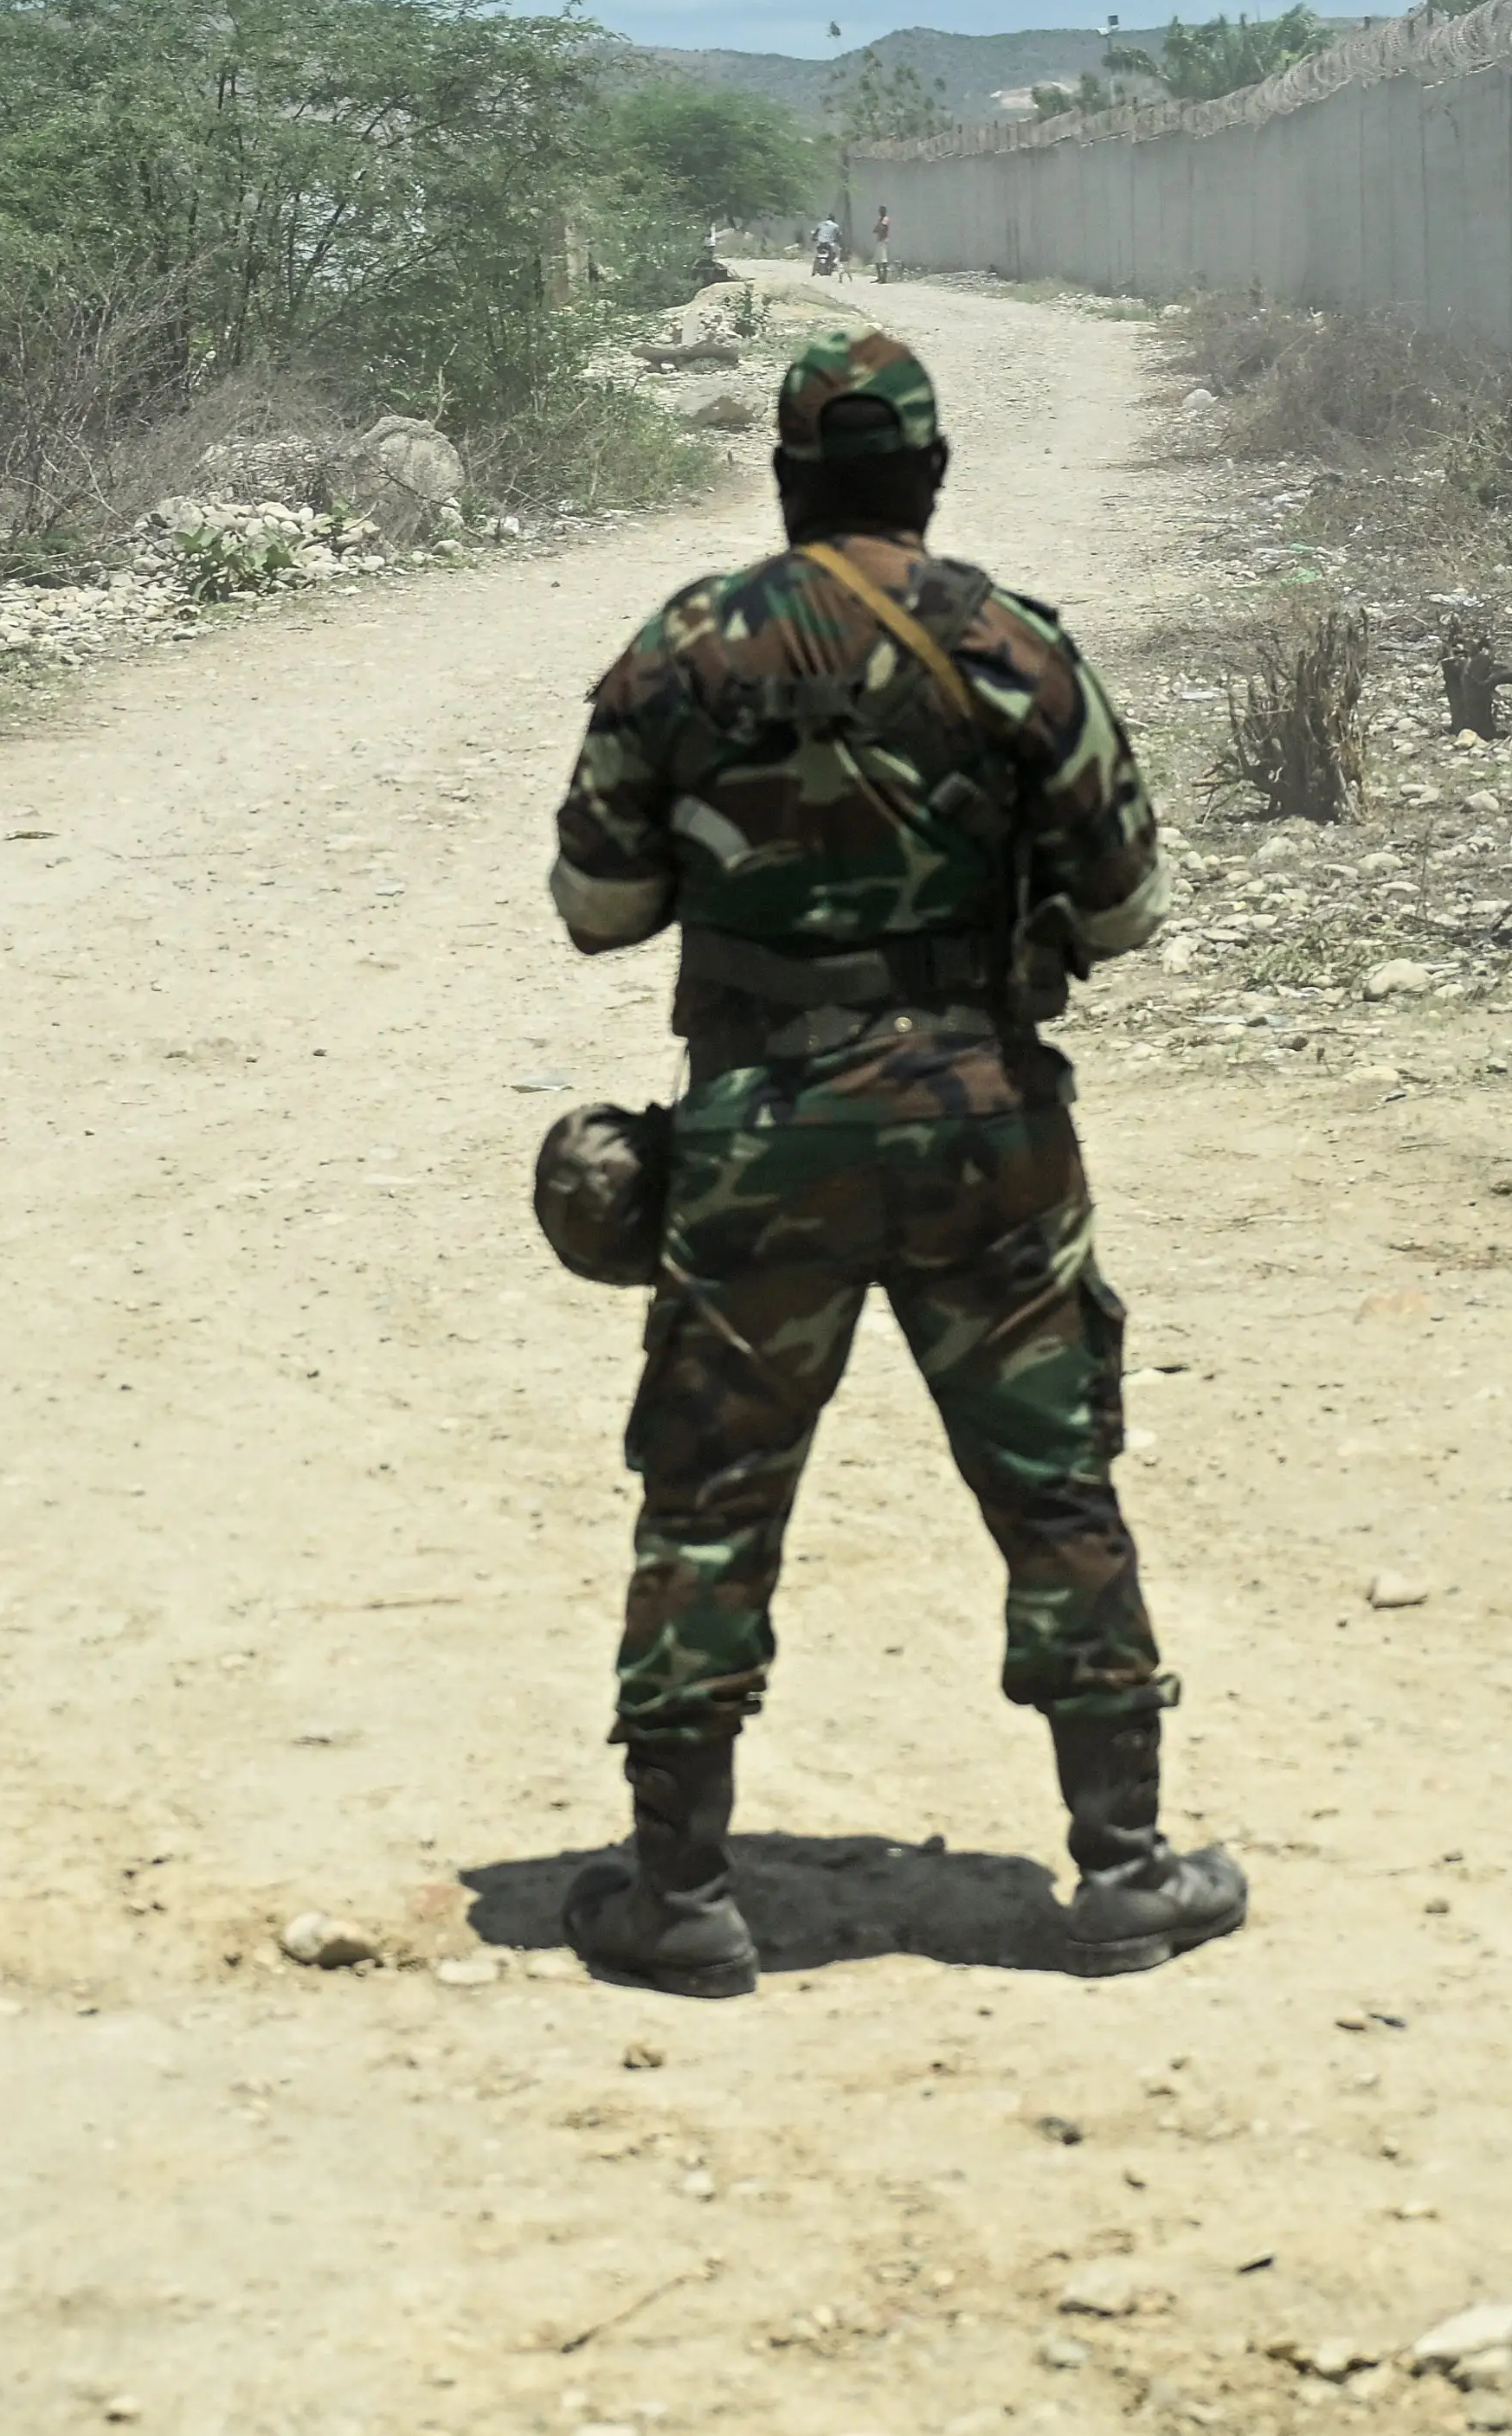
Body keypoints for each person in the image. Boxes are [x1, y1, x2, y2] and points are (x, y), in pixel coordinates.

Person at [540, 329, 1244, 1996]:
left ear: (787, 478)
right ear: (929, 477)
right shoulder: (1013, 646)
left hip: (761, 1137)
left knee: (709, 1506)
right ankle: (1128, 1868)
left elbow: (597, 909)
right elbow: (1129, 911)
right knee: (1052, 1486)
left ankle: (681, 1895)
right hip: (985, 1130)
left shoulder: (685, 649)